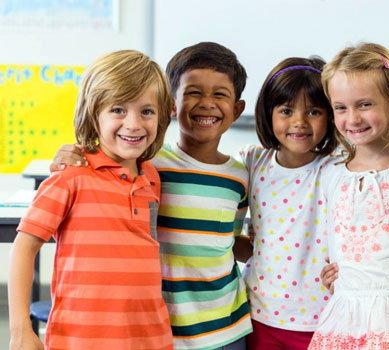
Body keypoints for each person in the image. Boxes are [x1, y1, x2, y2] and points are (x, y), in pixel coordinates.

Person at [48, 42, 253, 350]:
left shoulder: (240, 176)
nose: (206, 103)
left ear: (237, 109)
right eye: (193, 92)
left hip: (225, 327)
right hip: (157, 330)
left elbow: (228, 240)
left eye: (219, 94)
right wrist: (73, 155)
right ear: (170, 104)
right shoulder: (146, 165)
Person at [9, 50, 174, 349]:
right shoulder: (71, 175)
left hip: (149, 338)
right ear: (93, 113)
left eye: (147, 111)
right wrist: (20, 330)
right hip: (80, 340)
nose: (134, 124)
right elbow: (24, 245)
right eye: (118, 110)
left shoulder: (151, 177)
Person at [306, 42, 389, 350]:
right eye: (341, 108)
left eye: (364, 104)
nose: (352, 119)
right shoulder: (331, 173)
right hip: (345, 315)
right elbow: (335, 246)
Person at [238, 56, 339, 349]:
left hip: (322, 318)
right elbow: (233, 238)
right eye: (286, 110)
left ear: (330, 116)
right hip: (260, 315)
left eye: (314, 111)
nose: (299, 122)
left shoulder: (338, 168)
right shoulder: (252, 161)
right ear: (268, 114)